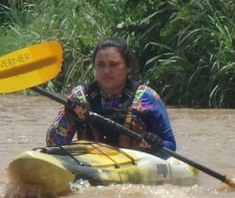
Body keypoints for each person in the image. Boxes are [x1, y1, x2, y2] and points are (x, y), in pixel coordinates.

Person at [45, 37, 177, 152]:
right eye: (101, 65)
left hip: (134, 164)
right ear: (94, 67)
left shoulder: (146, 97)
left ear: (128, 67)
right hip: (89, 162)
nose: (106, 71)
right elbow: (52, 143)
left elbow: (170, 145)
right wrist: (69, 117)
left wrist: (156, 144)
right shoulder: (80, 96)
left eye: (114, 65)